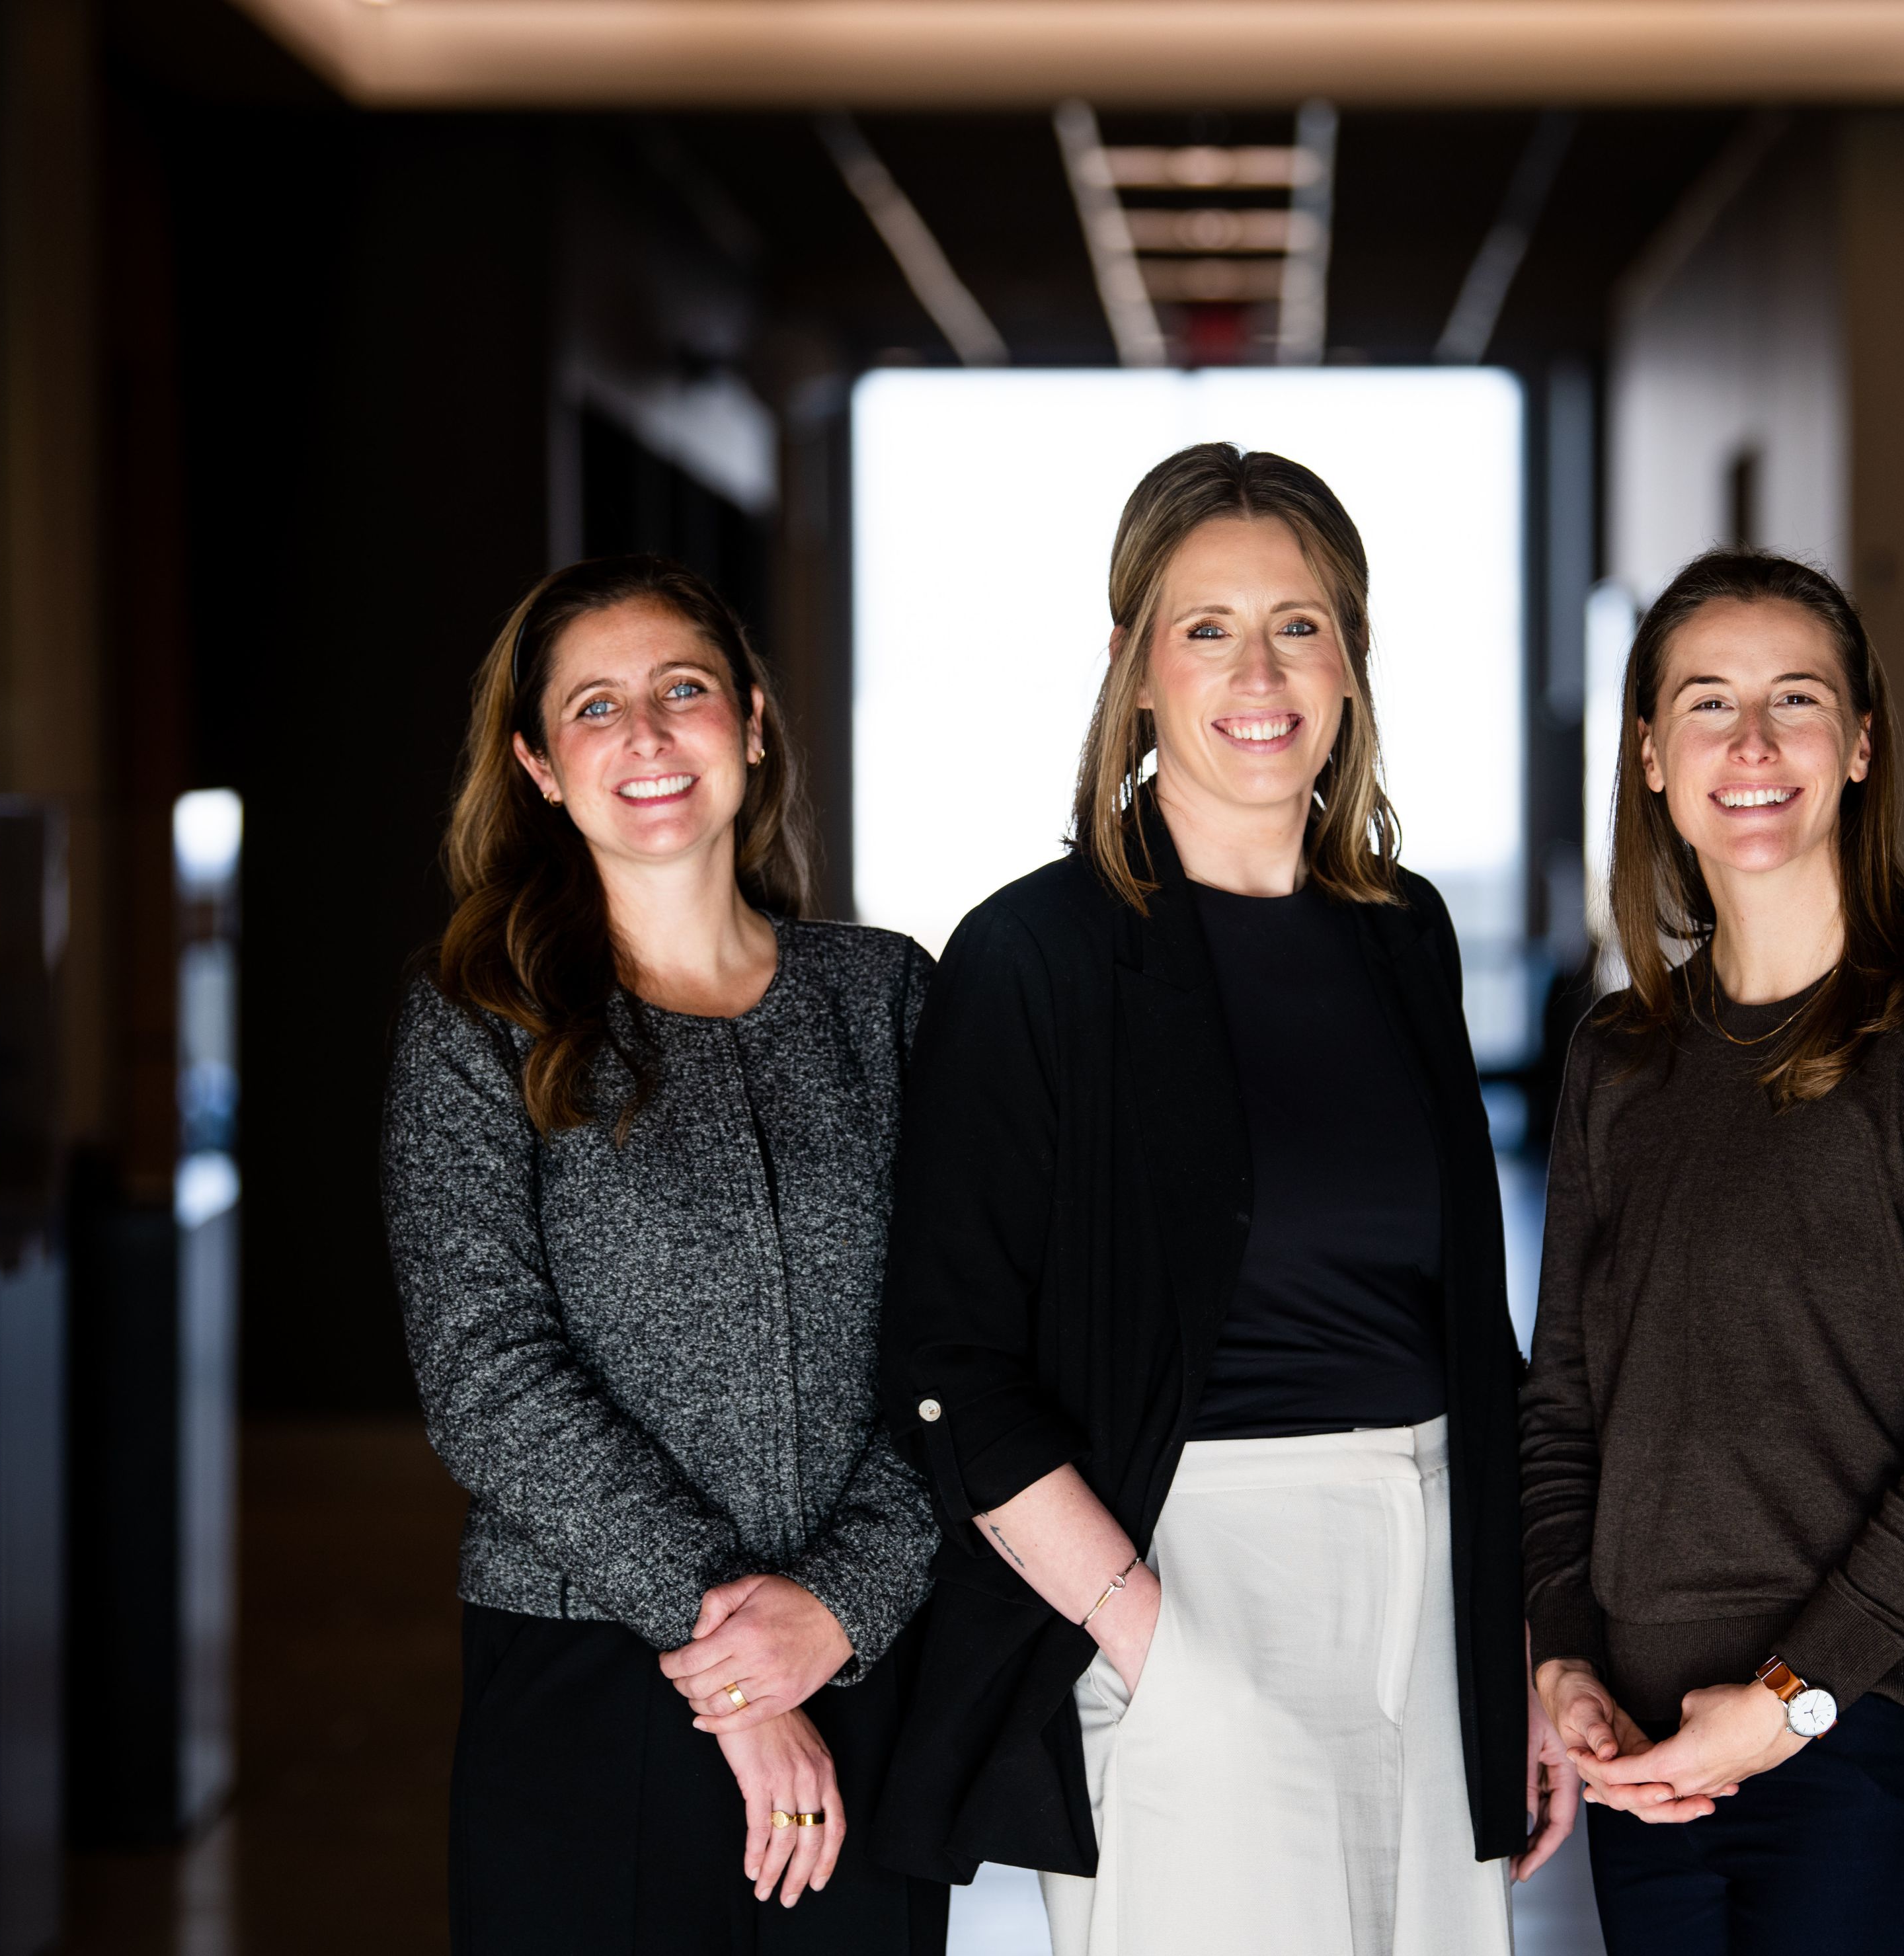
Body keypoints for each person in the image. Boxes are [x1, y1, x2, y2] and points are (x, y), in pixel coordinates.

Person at [874, 443, 1576, 1956]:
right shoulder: (1035, 956)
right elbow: (946, 1363)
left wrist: (1506, 1635)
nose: (1257, 669)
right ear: (1132, 667)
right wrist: (1147, 1641)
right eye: (1204, 627)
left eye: (1299, 622)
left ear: (1352, 661)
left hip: (1436, 1564)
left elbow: (1466, 1323)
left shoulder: (1405, 934)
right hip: (1188, 1569)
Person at [381, 556, 945, 1954]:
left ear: (750, 724)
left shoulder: (883, 998)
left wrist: (843, 1604)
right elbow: (484, 1374)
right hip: (584, 1680)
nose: (645, 734)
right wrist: (734, 1669)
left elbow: (966, 1344)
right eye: (593, 708)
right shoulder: (477, 1022)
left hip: (858, 1660)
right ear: (537, 767)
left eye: (682, 691)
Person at [1521, 550, 1904, 1955]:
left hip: (1875, 1735)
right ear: (1647, 753)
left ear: (1860, 742)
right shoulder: (1616, 1058)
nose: (1750, 744)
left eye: (1795, 700)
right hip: (1650, 1756)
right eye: (1705, 703)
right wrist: (1563, 1650)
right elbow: (1562, 1405)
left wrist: (1788, 1697)